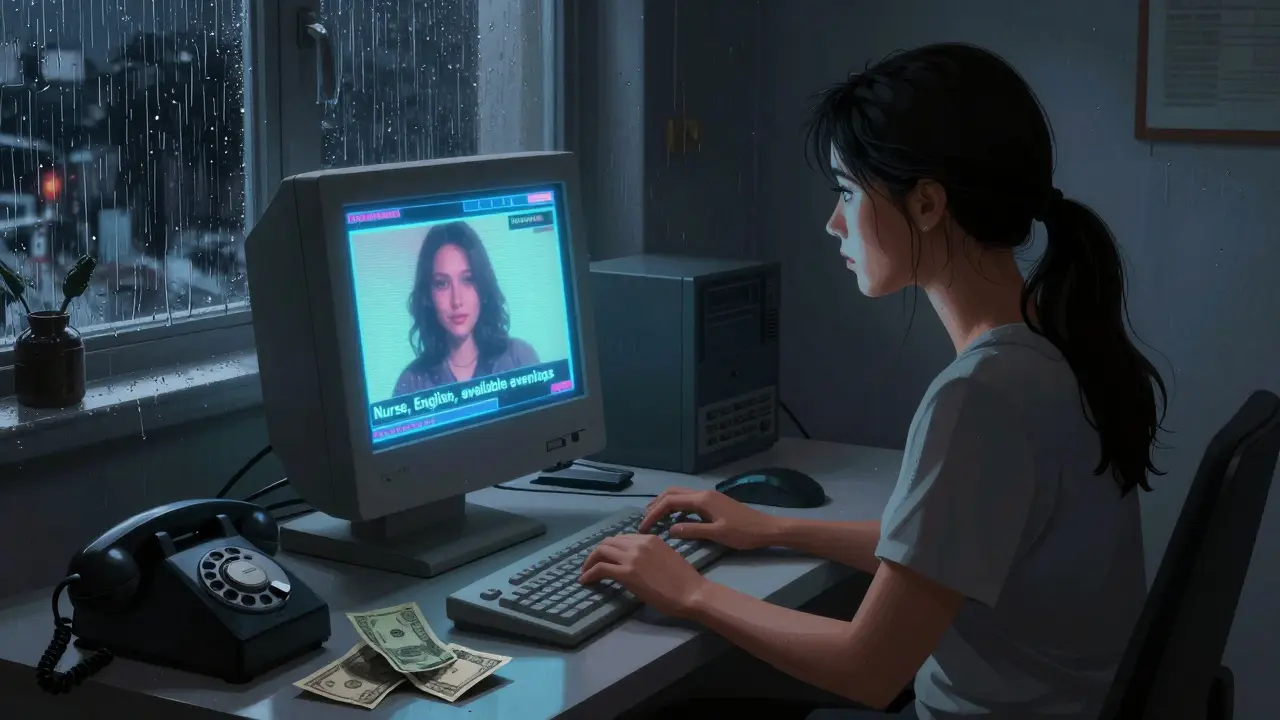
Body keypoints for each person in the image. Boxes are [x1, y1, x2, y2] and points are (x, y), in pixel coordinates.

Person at [579, 43, 1166, 720]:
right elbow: (943, 549)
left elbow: (868, 668)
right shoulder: (1055, 343)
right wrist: (773, 530)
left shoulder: (982, 397)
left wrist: (688, 592)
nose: (833, 224)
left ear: (925, 204)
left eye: (848, 192)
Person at [393, 220, 539, 395]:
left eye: (468, 280)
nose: (457, 301)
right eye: (442, 284)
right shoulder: (412, 383)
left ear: (483, 287)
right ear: (428, 296)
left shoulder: (519, 358)